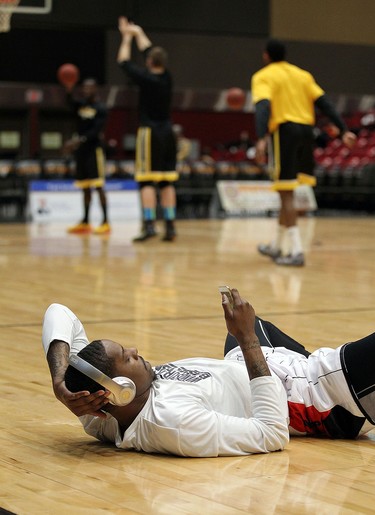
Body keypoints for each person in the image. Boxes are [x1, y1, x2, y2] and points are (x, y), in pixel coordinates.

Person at [42, 287, 375, 458]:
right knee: (245, 330)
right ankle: (356, 405)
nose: (136, 351)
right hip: (309, 395)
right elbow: (272, 434)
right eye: (127, 359)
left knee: (246, 322)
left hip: (248, 364)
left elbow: (60, 313)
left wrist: (59, 382)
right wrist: (247, 340)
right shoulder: (173, 423)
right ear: (118, 391)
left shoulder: (99, 413)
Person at [251, 39, 357, 266]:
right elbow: (324, 103)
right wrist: (344, 130)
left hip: (285, 132)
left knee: (286, 193)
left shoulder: (263, 76)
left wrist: (261, 138)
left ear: (266, 56)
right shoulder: (302, 75)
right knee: (286, 191)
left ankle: (297, 251)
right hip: (306, 133)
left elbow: (263, 106)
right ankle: (276, 246)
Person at [117, 17, 178, 242]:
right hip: (168, 133)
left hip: (149, 133)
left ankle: (150, 224)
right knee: (166, 181)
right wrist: (138, 31)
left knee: (146, 181)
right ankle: (170, 226)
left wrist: (126, 38)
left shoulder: (146, 78)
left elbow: (122, 61)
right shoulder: (167, 77)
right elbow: (150, 50)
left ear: (150, 62)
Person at [63, 78, 111, 235]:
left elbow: (96, 131)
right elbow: (69, 103)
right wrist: (69, 89)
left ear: (96, 89)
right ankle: (85, 221)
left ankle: (105, 222)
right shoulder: (81, 105)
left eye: (90, 88)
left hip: (94, 150)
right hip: (81, 152)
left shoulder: (101, 108)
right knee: (85, 187)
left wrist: (78, 140)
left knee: (98, 186)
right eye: (84, 88)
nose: (86, 90)